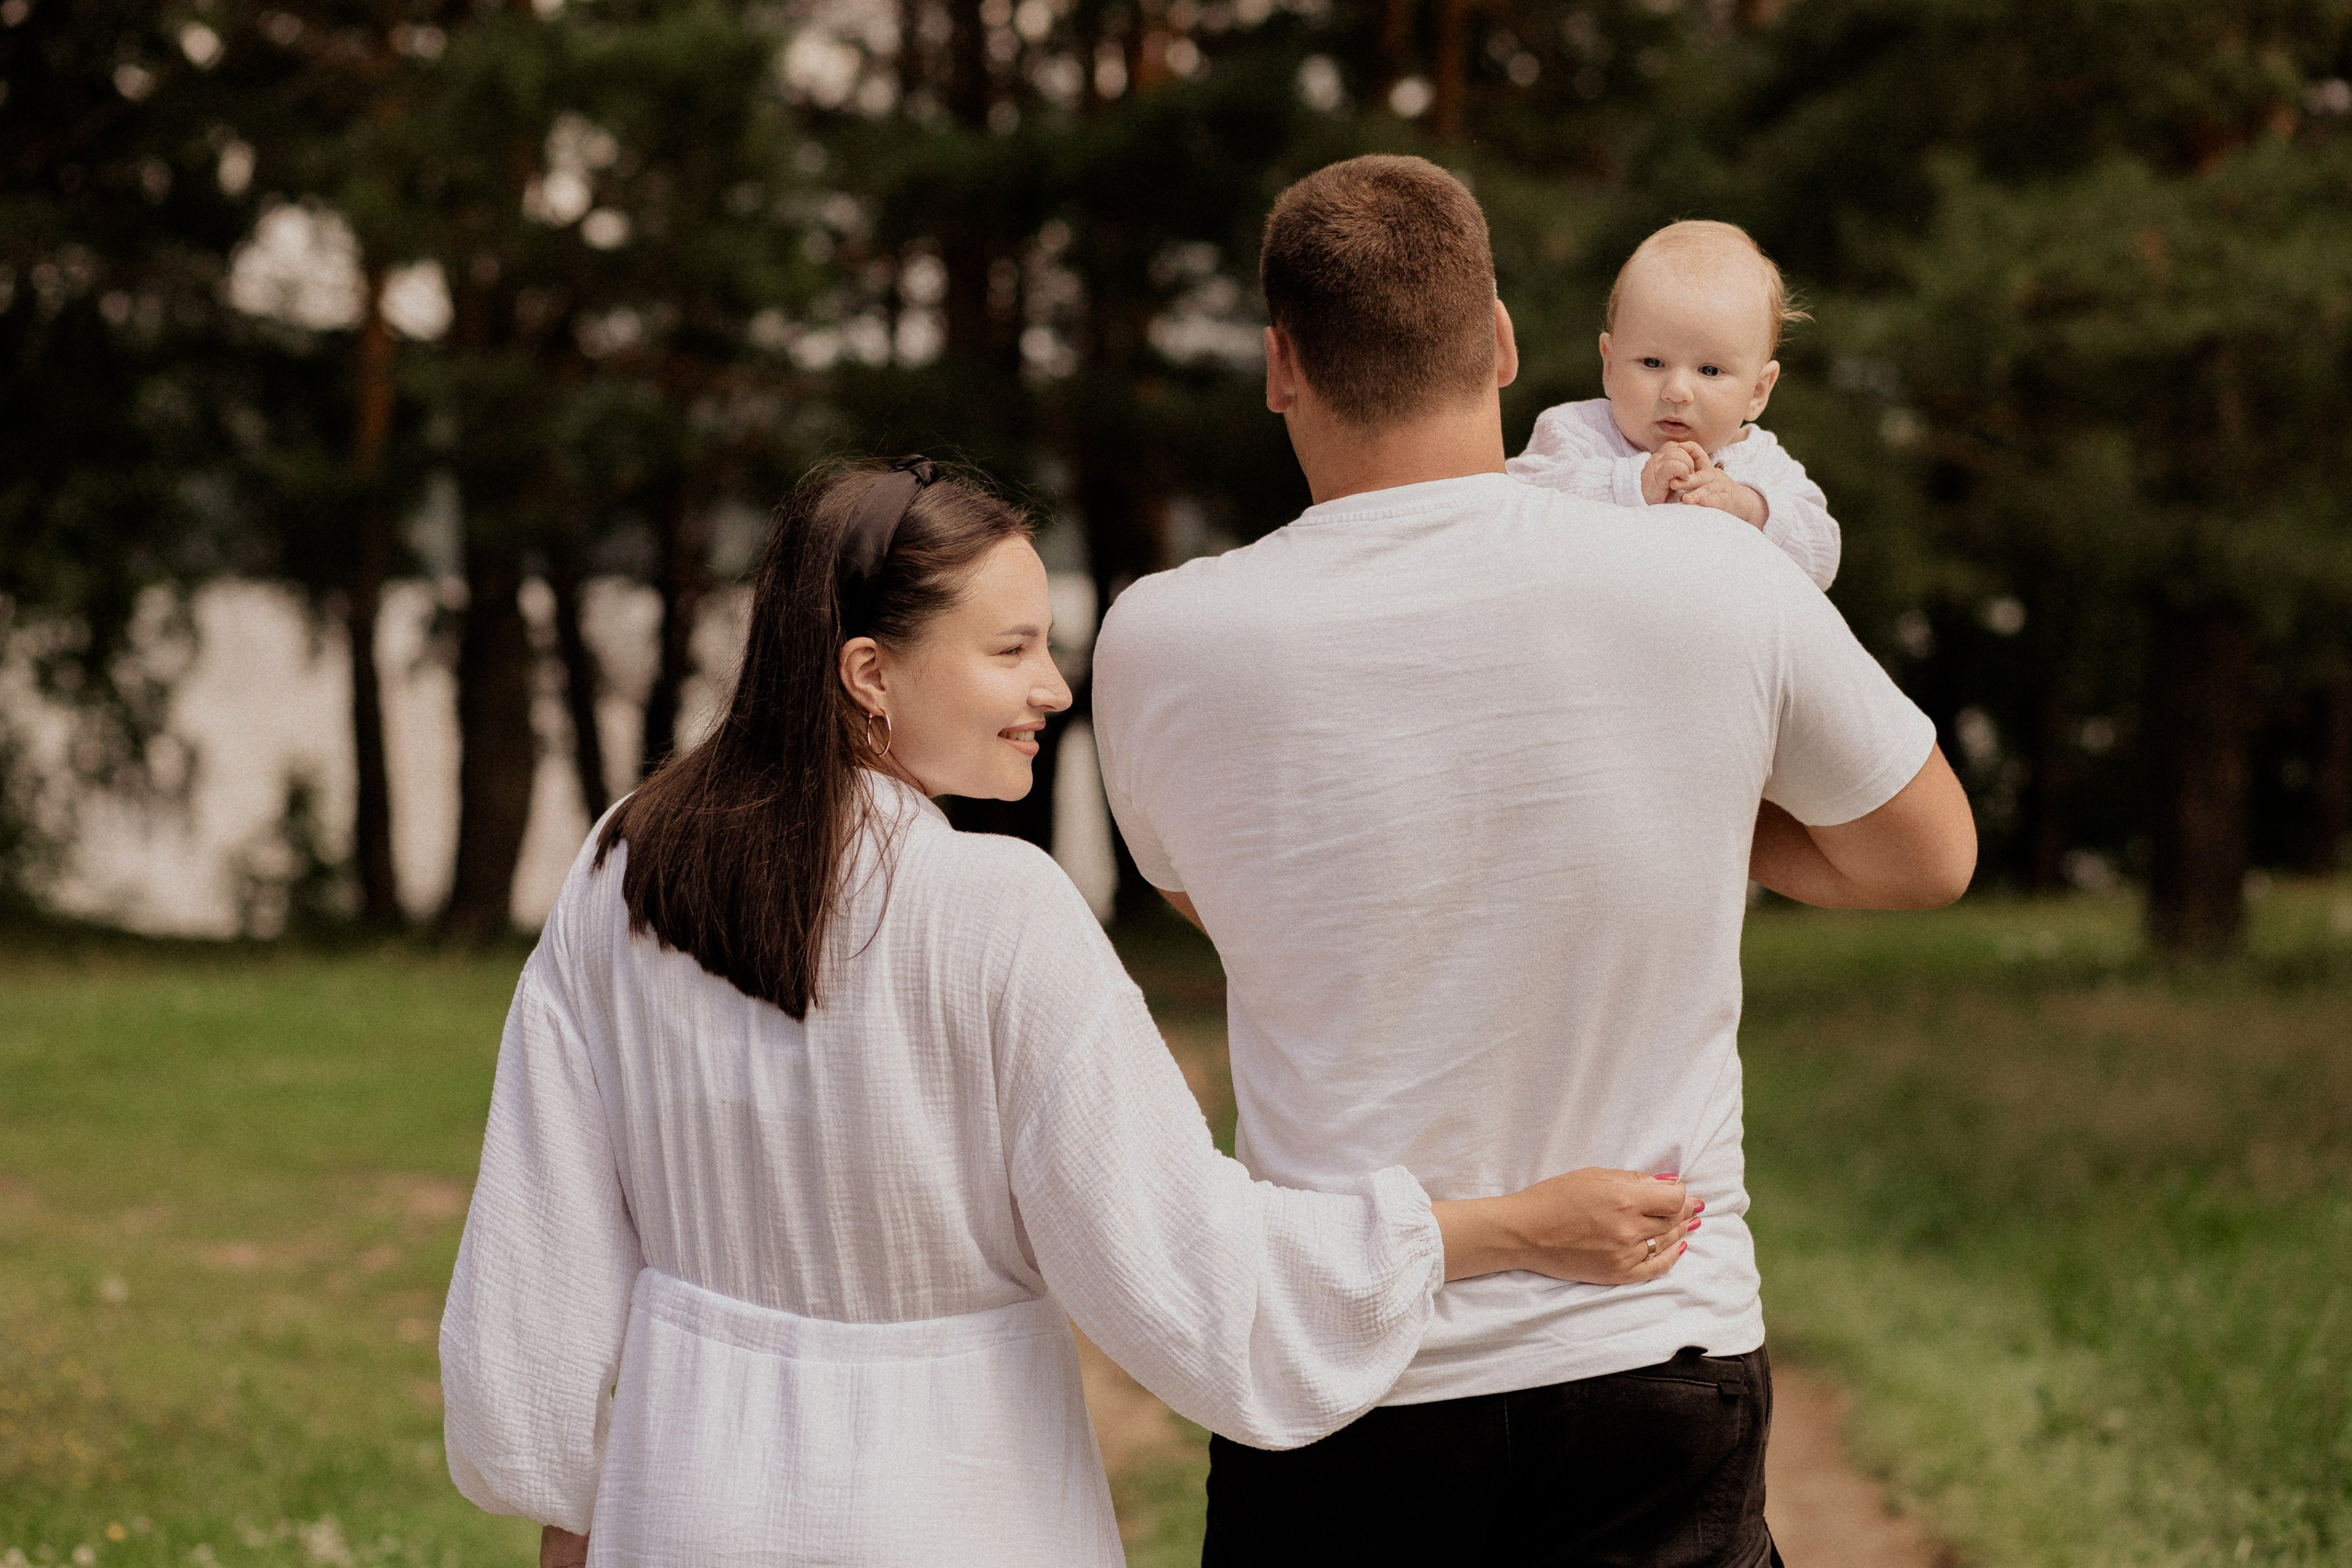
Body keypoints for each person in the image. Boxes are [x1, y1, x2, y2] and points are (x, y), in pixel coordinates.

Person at [437, 457, 1704, 1568]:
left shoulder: (625, 862)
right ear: (869, 672)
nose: (1055, 686)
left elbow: (542, 1255)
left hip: (683, 1499)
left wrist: (575, 1512)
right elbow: (1192, 1269)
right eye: (1012, 649)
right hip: (945, 1503)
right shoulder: (994, 904)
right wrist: (1509, 1227)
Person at [1091, 156, 1976, 1566]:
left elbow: (1224, 901)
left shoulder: (1157, 638)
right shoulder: (1715, 568)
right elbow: (1925, 853)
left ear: (1279, 367)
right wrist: (1683, 801)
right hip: (1652, 1348)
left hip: (1337, 1370)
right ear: (1501, 340)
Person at [1508, 219, 1843, 591]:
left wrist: (1750, 508)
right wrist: (1631, 483)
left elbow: (1823, 558)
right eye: (1652, 363)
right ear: (1610, 364)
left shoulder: (1765, 465)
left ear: (1758, 392)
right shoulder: (1578, 432)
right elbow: (1518, 505)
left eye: (1710, 370)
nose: (1677, 391)